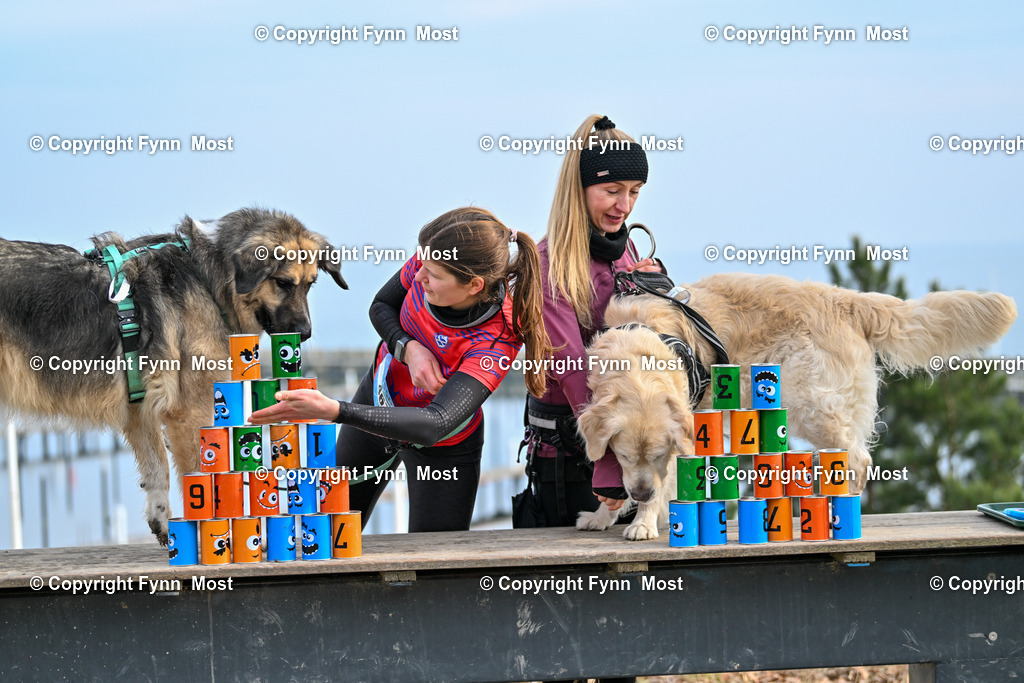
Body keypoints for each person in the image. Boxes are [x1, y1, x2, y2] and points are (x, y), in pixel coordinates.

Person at [250, 207, 551, 532]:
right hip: (378, 399)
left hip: (443, 448)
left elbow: (435, 423)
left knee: (433, 569)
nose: (418, 276)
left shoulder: (498, 337)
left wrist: (335, 410)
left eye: (432, 275)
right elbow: (381, 306)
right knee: (323, 533)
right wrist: (408, 349)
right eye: (420, 263)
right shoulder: (433, 262)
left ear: (474, 285)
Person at [517, 114, 665, 530]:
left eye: (635, 192)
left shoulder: (625, 247)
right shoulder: (548, 265)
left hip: (624, 445)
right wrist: (606, 464)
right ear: (578, 190)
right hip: (571, 458)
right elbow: (571, 366)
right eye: (612, 191)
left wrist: (653, 287)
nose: (625, 206)